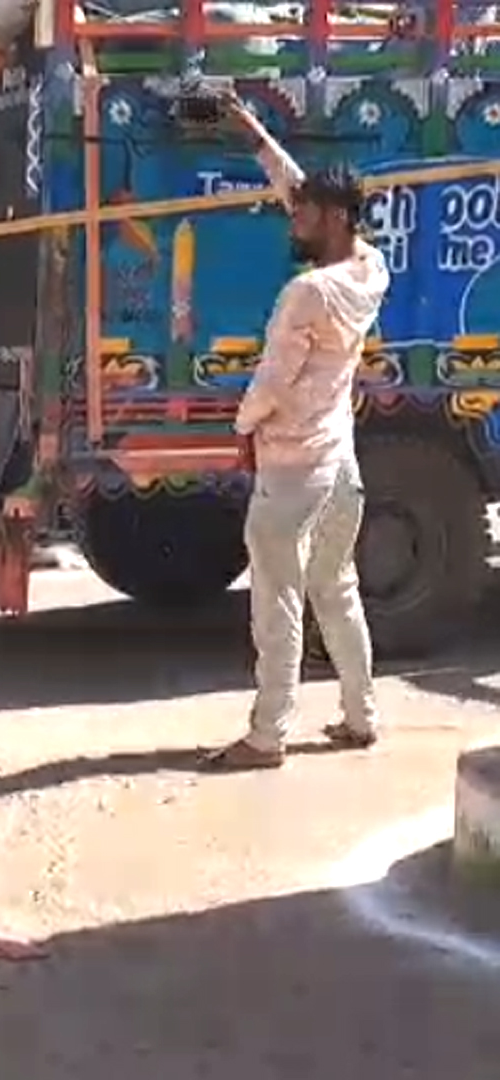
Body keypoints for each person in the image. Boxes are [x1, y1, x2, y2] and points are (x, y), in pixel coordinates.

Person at [205, 95, 386, 771]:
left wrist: (241, 427)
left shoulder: (305, 296)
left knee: (276, 602)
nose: (293, 217)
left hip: (291, 469)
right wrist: (254, 133)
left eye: (305, 213)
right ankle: (362, 716)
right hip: (340, 465)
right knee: (336, 588)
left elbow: (272, 384)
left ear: (333, 219)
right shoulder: (370, 268)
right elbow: (297, 189)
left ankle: (267, 736)